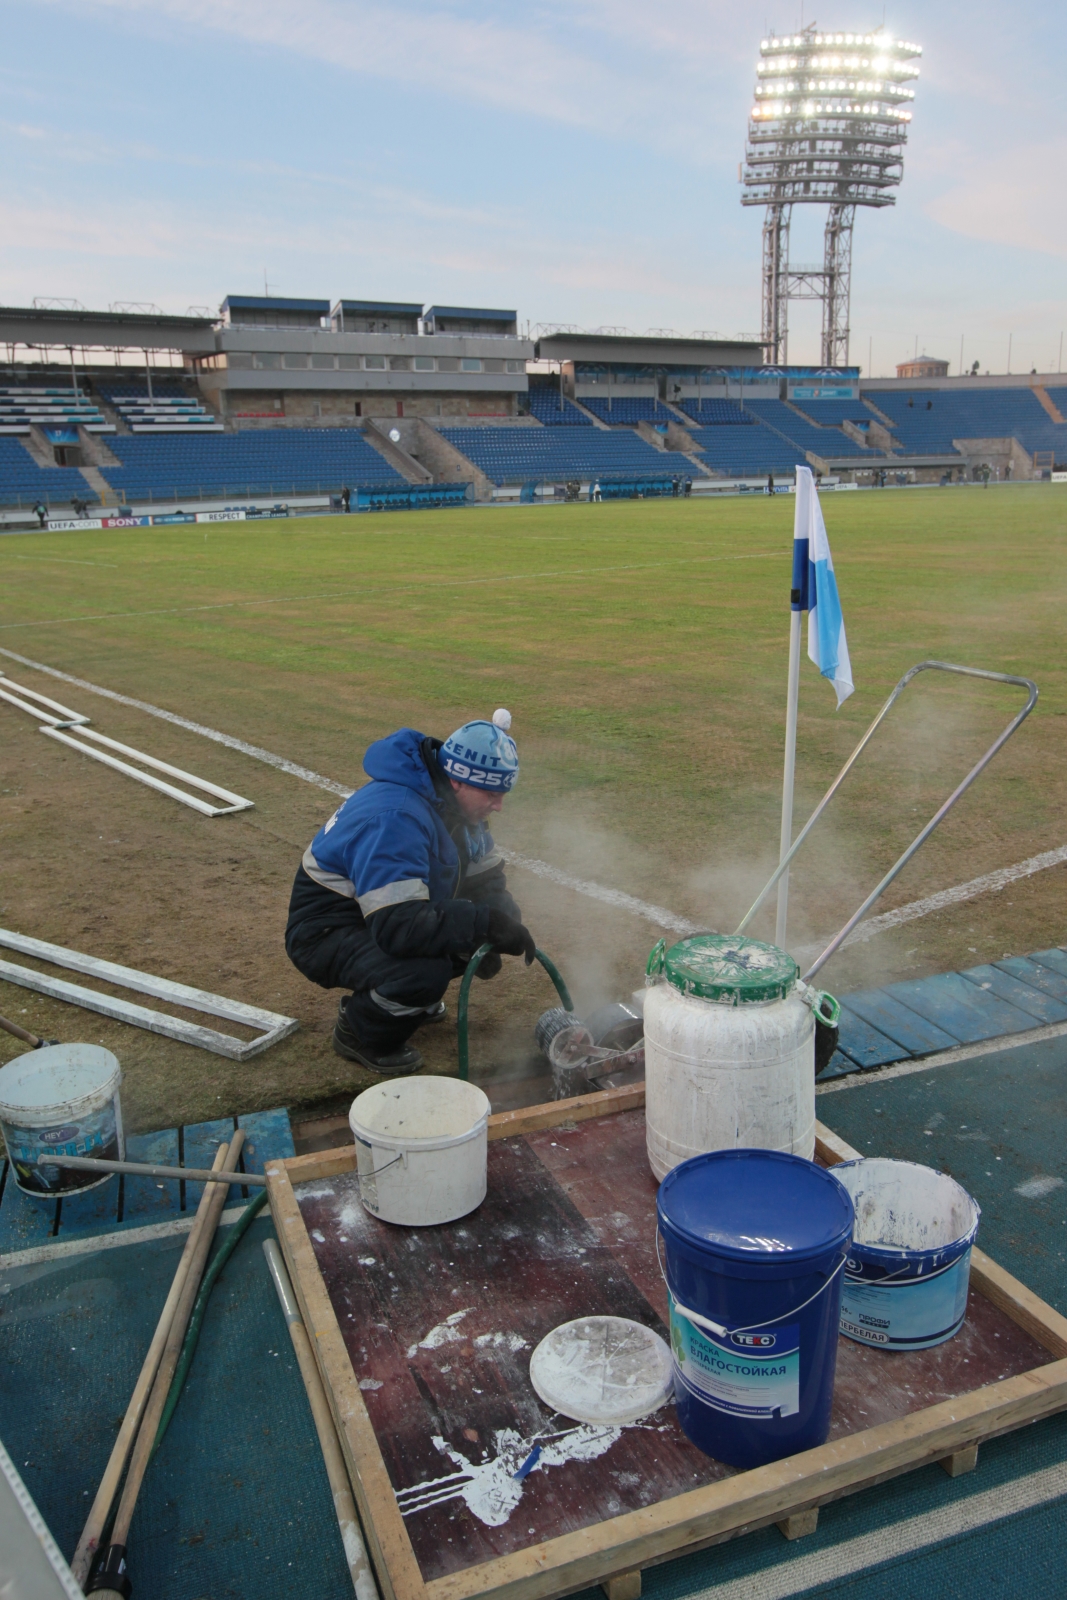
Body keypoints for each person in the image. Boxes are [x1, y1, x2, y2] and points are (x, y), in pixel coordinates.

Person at [285, 711, 534, 1075]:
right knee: (425, 969)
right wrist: (482, 923)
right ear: (459, 781)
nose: (498, 806)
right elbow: (397, 927)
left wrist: (501, 918)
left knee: (465, 936)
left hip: (373, 915)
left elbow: (483, 877)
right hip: (325, 930)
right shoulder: (397, 816)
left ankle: (409, 1001)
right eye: (492, 793)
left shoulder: (451, 803)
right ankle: (359, 1028)